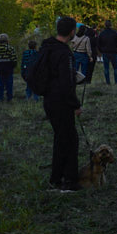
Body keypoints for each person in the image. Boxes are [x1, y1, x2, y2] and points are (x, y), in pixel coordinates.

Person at [40, 16, 82, 192]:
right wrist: (75, 104)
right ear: (72, 32)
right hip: (61, 102)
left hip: (49, 99)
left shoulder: (47, 47)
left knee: (61, 139)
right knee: (70, 141)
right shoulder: (64, 53)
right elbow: (65, 83)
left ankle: (56, 178)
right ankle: (69, 181)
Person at [0, 34, 17, 102]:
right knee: (9, 85)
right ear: (7, 40)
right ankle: (9, 98)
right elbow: (14, 59)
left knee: (0, 85)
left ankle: (0, 98)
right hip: (9, 69)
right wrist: (13, 66)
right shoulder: (10, 48)